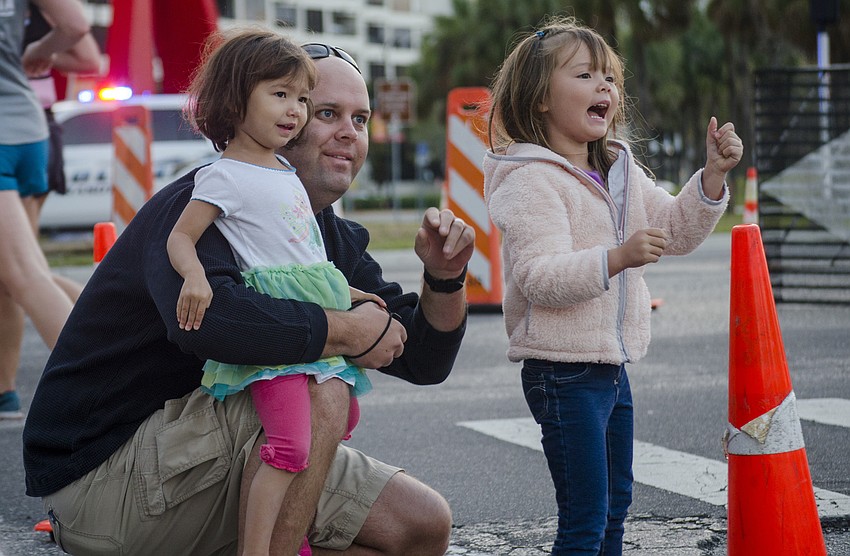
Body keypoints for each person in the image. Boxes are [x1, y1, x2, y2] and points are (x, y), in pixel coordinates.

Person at [23, 40, 474, 556]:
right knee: (320, 389)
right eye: (323, 110)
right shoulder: (204, 202)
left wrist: (444, 279)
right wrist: (346, 330)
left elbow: (421, 358)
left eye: (361, 118)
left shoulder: (324, 233)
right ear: (256, 110)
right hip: (107, 476)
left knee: (420, 526)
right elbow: (208, 322)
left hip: (205, 459)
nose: (348, 131)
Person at [483, 16, 742, 555]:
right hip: (561, 371)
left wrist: (712, 175)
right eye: (584, 76)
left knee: (615, 508)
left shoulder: (620, 168)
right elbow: (539, 276)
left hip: (610, 367)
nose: (605, 86)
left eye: (610, 78)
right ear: (539, 101)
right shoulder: (530, 179)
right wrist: (616, 258)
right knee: (584, 519)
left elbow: (673, 231)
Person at [166, 29, 378, 556]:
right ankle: (261, 549)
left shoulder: (283, 170)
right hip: (277, 319)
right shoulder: (223, 178)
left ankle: (298, 526)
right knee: (290, 444)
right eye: (280, 95)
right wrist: (194, 276)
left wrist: (348, 293)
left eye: (303, 100)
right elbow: (182, 236)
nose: (295, 111)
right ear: (236, 101)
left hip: (312, 297)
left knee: (342, 417)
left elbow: (300, 254)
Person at [0, 0, 91, 419]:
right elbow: (76, 28)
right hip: (28, 127)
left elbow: (78, 31)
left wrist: (38, 49)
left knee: (22, 274)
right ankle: (4, 393)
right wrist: (39, 49)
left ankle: (100, 384)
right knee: (15, 274)